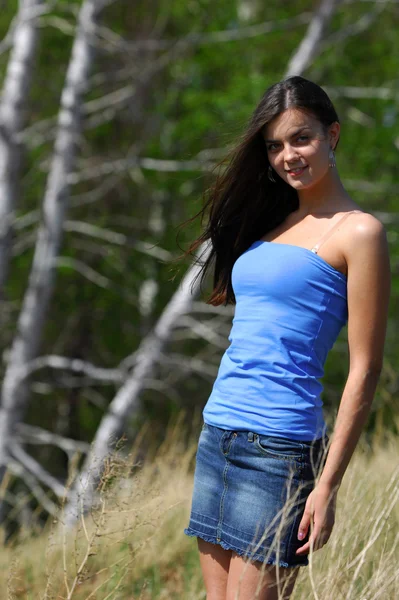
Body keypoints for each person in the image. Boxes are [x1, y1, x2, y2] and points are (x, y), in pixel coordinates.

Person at [180, 76, 391, 600]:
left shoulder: (359, 233)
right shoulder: (271, 223)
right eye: (274, 145)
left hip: (278, 449)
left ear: (333, 135)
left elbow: (365, 369)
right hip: (219, 431)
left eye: (302, 139)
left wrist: (328, 485)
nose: (287, 156)